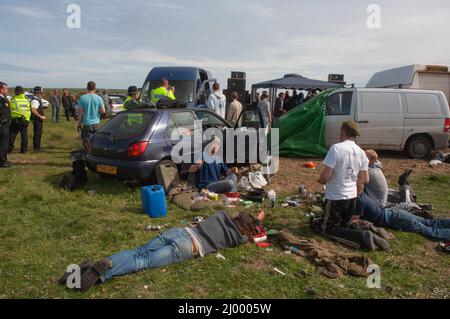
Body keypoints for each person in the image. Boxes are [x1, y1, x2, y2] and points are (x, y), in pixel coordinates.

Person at [59, 210, 265, 292]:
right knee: (143, 262)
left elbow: (238, 217)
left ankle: (93, 269)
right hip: (188, 248)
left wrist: (252, 217)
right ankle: (103, 272)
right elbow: (255, 235)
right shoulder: (238, 238)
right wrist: (259, 221)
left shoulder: (221, 214)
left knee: (138, 251)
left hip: (179, 232)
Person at [317, 121, 388, 251]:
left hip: (336, 196)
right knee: (344, 225)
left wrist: (321, 180)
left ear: (343, 132)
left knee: (328, 229)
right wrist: (355, 183)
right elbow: (365, 178)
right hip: (352, 197)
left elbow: (326, 175)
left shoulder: (336, 148)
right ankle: (367, 235)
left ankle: (363, 236)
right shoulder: (361, 152)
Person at [356, 194, 450, 241]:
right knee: (429, 222)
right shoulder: (363, 195)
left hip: (396, 219)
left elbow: (353, 219)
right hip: (395, 213)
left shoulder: (359, 201)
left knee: (429, 231)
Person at [77, 81, 106, 148]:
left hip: (87, 123)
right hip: (96, 122)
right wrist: (96, 112)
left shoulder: (82, 98)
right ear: (95, 88)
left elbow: (80, 113)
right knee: (95, 140)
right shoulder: (99, 98)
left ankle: (88, 154)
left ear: (87, 88)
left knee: (87, 141)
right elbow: (103, 111)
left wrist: (78, 124)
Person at [8, 86, 31, 154]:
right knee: (24, 135)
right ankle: (24, 150)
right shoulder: (27, 100)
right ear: (23, 92)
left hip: (15, 120)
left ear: (15, 92)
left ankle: (10, 149)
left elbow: (9, 109)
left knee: (12, 135)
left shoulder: (13, 100)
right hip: (25, 120)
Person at [30, 86, 47, 152]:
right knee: (37, 134)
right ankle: (36, 148)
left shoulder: (37, 99)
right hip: (37, 120)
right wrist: (40, 116)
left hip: (38, 120)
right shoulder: (35, 100)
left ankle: (37, 147)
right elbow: (33, 110)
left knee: (38, 133)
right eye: (41, 93)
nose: (42, 94)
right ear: (37, 93)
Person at [0, 81, 11, 168]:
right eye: (6, 88)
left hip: (5, 124)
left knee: (4, 143)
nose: (7, 90)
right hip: (2, 124)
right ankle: (2, 162)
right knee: (3, 144)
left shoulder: (4, 98)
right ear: (1, 89)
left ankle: (4, 159)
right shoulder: (1, 100)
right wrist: (4, 105)